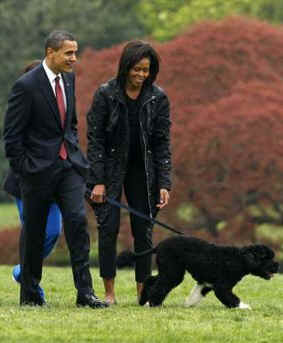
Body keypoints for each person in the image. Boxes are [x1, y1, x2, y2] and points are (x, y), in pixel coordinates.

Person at [3, 30, 108, 308]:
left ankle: (85, 294)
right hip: (36, 172)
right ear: (51, 52)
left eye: (75, 52)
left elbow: (69, 125)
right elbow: (12, 136)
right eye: (69, 53)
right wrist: (26, 169)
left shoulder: (69, 79)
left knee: (76, 223)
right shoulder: (26, 86)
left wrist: (73, 153)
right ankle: (29, 293)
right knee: (35, 232)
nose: (75, 58)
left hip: (69, 168)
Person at [87, 40, 172, 305]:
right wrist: (98, 181)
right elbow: (95, 140)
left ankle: (142, 293)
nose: (140, 75)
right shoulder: (105, 94)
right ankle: (109, 293)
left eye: (146, 70)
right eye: (136, 69)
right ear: (125, 67)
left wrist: (164, 183)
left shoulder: (158, 97)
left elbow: (162, 143)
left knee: (143, 231)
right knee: (107, 228)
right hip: (110, 170)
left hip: (144, 171)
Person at [3, 60, 62, 303]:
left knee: (52, 232)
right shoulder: (22, 107)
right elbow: (13, 142)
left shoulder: (60, 105)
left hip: (56, 181)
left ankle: (21, 271)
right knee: (33, 233)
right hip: (26, 183)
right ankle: (32, 288)